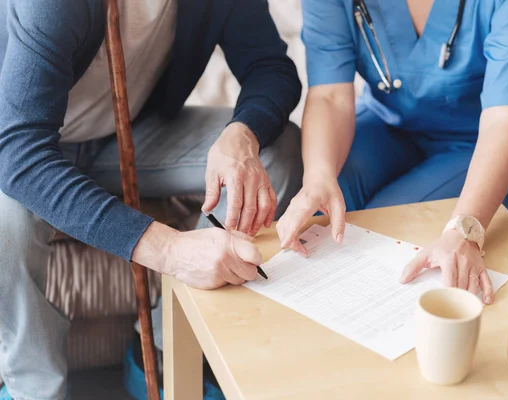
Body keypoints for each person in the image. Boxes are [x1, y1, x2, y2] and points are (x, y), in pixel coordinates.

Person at [0, 0, 303, 399]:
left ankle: (164, 348)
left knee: (275, 150)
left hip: (127, 136)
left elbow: (271, 67)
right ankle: (34, 388)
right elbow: (18, 151)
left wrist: (242, 133)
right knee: (7, 223)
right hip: (20, 146)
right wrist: (172, 250)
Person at [277, 0, 508, 304]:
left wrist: (465, 230)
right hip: (390, 123)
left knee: (387, 229)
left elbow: (503, 123)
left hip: (493, 140)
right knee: (319, 214)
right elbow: (329, 95)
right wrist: (318, 176)